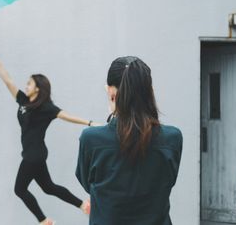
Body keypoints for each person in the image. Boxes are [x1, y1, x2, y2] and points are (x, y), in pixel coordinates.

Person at [0, 48, 93, 225]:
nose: (26, 85)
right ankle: (83, 205)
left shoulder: (45, 108)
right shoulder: (23, 101)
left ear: (38, 87)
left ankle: (44, 221)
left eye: (29, 83)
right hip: (34, 153)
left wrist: (89, 123)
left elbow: (67, 116)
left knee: (19, 189)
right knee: (48, 187)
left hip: (33, 155)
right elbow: (8, 81)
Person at [76, 56, 183, 225]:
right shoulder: (173, 138)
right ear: (150, 92)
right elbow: (169, 181)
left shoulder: (90, 139)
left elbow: (87, 183)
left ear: (111, 93)